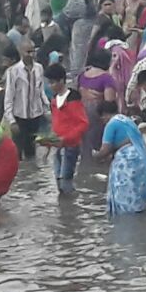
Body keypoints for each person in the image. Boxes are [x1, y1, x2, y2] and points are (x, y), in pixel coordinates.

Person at [95, 99, 146, 215]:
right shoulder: (127, 120)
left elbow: (105, 150)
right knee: (137, 195)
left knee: (123, 199)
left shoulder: (112, 123)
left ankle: (126, 226)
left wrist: (96, 156)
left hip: (126, 162)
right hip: (141, 160)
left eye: (102, 118)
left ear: (104, 115)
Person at [46, 63, 88, 195]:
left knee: (66, 181)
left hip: (70, 146)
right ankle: (66, 210)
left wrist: (66, 138)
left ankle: (70, 210)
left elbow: (83, 123)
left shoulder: (73, 100)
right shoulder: (54, 100)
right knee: (59, 181)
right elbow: (55, 122)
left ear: (62, 81)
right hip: (57, 145)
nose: (51, 86)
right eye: (50, 82)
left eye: (53, 82)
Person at [3, 42, 50, 159]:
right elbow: (9, 96)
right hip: (19, 116)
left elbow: (40, 91)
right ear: (21, 52)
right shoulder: (13, 71)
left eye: (33, 51)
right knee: (16, 151)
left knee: (31, 150)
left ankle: (31, 174)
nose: (31, 54)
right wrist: (12, 121)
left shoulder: (39, 68)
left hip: (35, 115)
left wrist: (47, 110)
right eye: (28, 52)